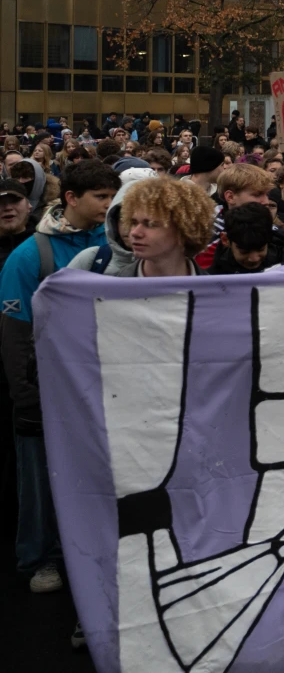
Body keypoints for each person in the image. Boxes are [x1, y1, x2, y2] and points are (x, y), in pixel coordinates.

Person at [1, 159, 118, 594]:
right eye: (100, 198)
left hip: (98, 389)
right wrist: (27, 399)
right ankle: (38, 559)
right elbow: (15, 335)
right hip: (46, 391)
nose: (109, 205)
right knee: (37, 481)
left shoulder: (115, 244)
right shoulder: (29, 255)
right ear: (70, 199)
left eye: (112, 196)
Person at [72, 177, 213, 278]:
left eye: (150, 224)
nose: (134, 232)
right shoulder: (110, 290)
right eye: (133, 222)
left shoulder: (215, 295)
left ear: (184, 230)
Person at [211, 203, 284, 274]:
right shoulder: (216, 273)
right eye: (244, 251)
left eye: (261, 249)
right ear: (226, 240)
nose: (254, 259)